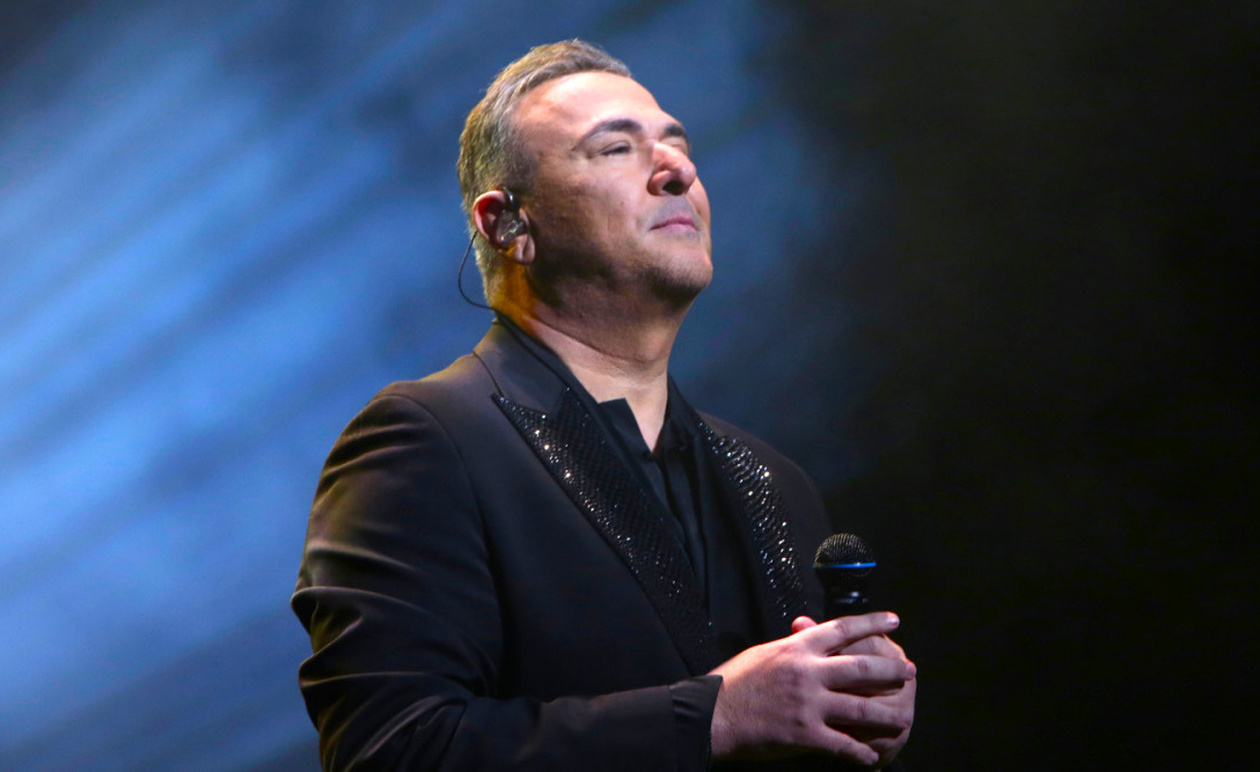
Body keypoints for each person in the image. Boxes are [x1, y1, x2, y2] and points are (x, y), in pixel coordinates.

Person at [292, 40, 915, 770]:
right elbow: (391, 750)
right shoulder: (425, 442)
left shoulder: (775, 483)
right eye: (616, 148)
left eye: (679, 144)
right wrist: (715, 716)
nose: (678, 170)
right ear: (507, 225)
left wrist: (859, 727)